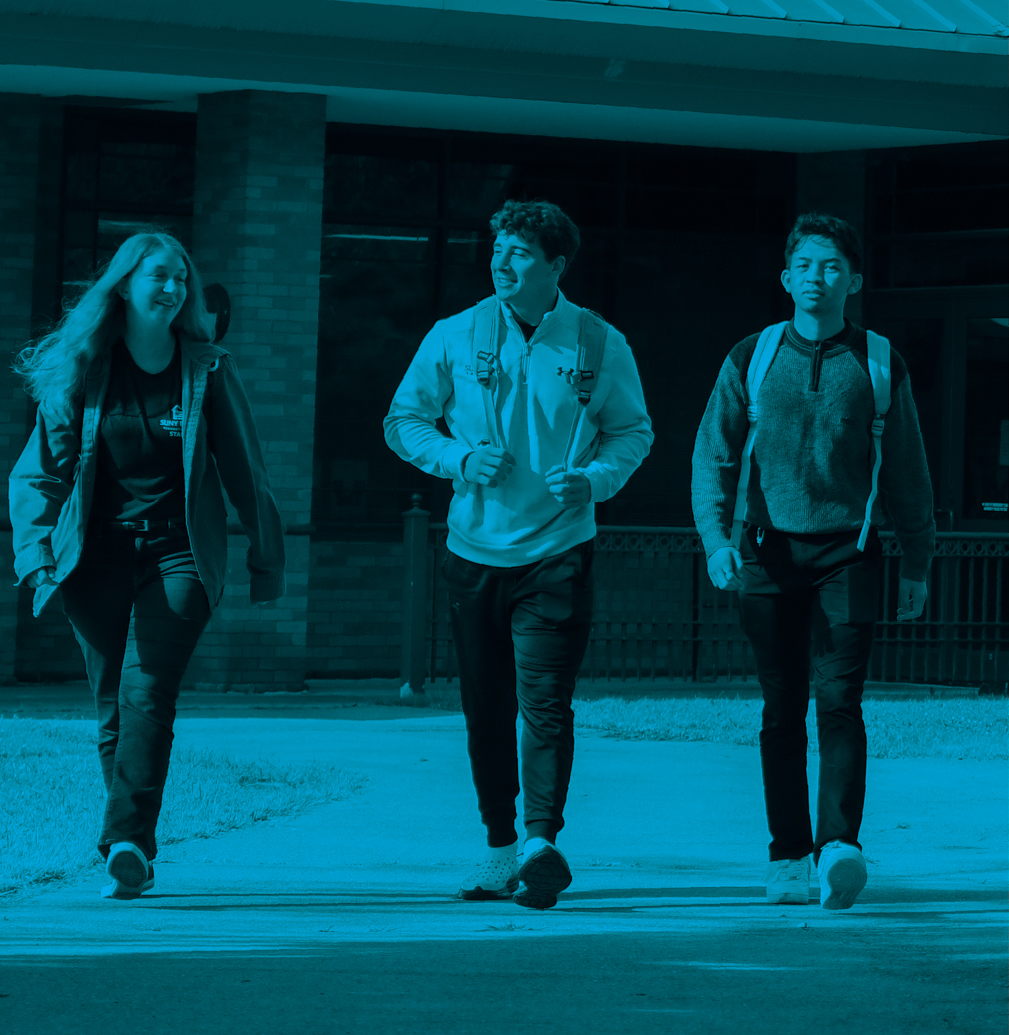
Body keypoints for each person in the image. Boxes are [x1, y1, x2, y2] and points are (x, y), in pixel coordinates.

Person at [384, 200, 653, 909]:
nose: (503, 261)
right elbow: (402, 419)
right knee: (486, 706)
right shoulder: (454, 334)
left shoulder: (598, 343)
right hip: (474, 550)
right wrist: (456, 458)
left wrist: (593, 479)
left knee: (545, 703)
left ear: (557, 266)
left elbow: (633, 432)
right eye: (499, 248)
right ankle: (501, 849)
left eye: (522, 253)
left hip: (559, 551)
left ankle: (541, 843)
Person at [9, 231, 285, 899]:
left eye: (181, 280)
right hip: (94, 553)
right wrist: (36, 556)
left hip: (179, 552)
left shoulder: (208, 369)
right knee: (112, 704)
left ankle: (129, 839)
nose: (173, 289)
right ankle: (130, 846)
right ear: (125, 287)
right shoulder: (84, 366)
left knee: (147, 689)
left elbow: (245, 468)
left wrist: (264, 556)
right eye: (159, 277)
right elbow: (39, 473)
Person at [691, 213, 935, 910]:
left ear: (852, 281)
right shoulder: (753, 355)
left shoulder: (880, 363)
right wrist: (716, 541)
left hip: (849, 554)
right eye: (805, 266)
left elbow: (909, 473)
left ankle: (838, 848)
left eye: (831, 267)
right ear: (787, 278)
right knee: (780, 709)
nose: (817, 278)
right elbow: (713, 453)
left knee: (839, 701)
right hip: (765, 554)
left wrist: (916, 562)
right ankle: (788, 855)